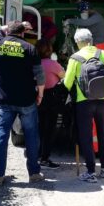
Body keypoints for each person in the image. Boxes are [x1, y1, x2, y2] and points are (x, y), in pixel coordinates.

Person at [0, 20, 46, 184]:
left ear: (8, 31)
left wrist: (11, 25)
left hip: (4, 100)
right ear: (23, 33)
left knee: (1, 135)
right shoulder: (30, 48)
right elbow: (40, 76)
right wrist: (40, 95)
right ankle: (34, 173)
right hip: (26, 100)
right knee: (31, 135)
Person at [63, 28, 104, 183]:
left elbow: (67, 83)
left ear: (78, 42)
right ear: (91, 40)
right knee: (103, 134)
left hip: (83, 102)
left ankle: (91, 171)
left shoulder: (75, 58)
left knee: (86, 136)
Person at [35, 39, 65, 168]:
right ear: (49, 50)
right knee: (49, 129)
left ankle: (36, 155)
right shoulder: (53, 64)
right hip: (52, 98)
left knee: (38, 128)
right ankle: (45, 158)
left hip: (37, 97)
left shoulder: (34, 63)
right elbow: (64, 77)